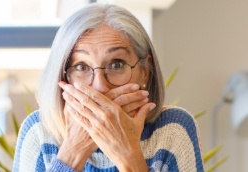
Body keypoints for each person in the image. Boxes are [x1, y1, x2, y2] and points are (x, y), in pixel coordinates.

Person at [13, 3, 204, 172]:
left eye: (117, 65)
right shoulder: (39, 132)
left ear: (145, 71)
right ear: (63, 77)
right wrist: (72, 153)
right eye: (81, 67)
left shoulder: (172, 129)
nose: (99, 87)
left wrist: (128, 156)